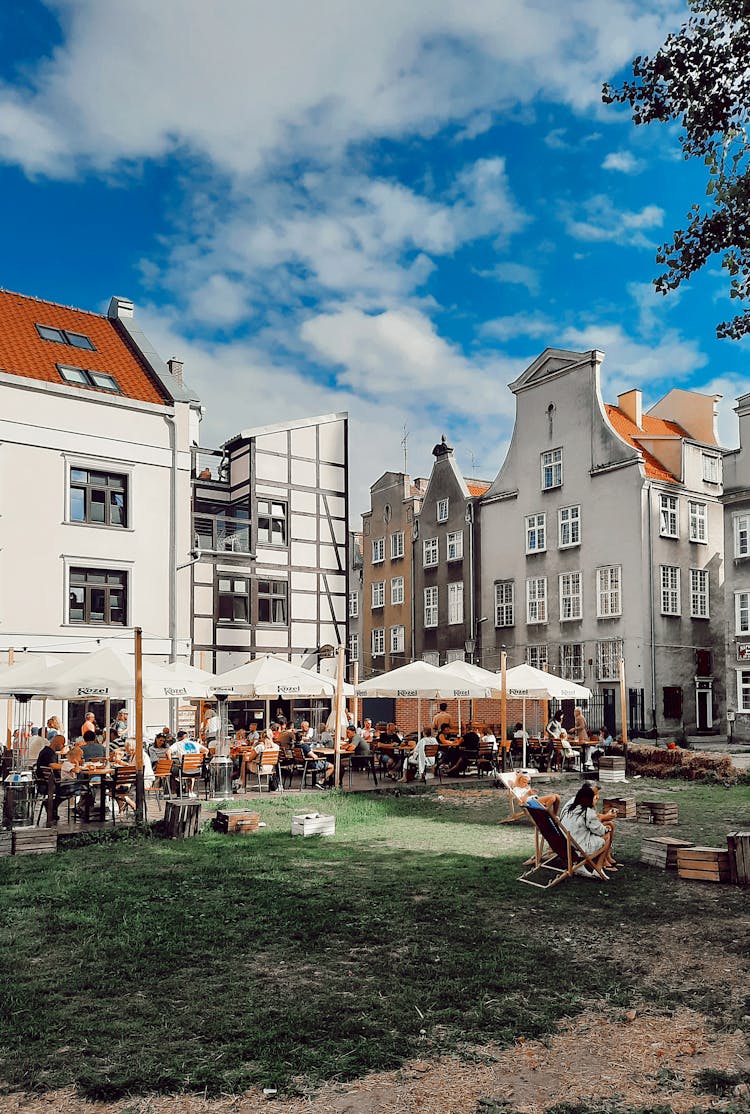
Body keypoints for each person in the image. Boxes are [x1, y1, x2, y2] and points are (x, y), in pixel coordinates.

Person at [559, 783, 617, 879]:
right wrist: (607, 829)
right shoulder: (587, 812)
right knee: (606, 835)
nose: (596, 798)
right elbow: (600, 831)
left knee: (599, 832)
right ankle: (598, 868)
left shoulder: (571, 807)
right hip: (578, 846)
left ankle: (580, 865)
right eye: (594, 796)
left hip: (565, 842)